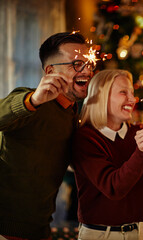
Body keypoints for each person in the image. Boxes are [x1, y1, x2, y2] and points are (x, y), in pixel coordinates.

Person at [0, 32, 94, 239]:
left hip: (41, 229)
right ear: (50, 71)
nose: (87, 70)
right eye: (77, 64)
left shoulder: (72, 112)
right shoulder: (30, 101)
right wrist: (33, 100)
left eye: (89, 64)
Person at [71, 69, 143, 240]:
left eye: (132, 93)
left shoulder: (139, 134)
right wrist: (140, 152)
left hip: (142, 233)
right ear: (102, 96)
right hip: (101, 235)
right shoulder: (85, 139)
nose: (132, 99)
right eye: (123, 92)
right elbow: (114, 188)